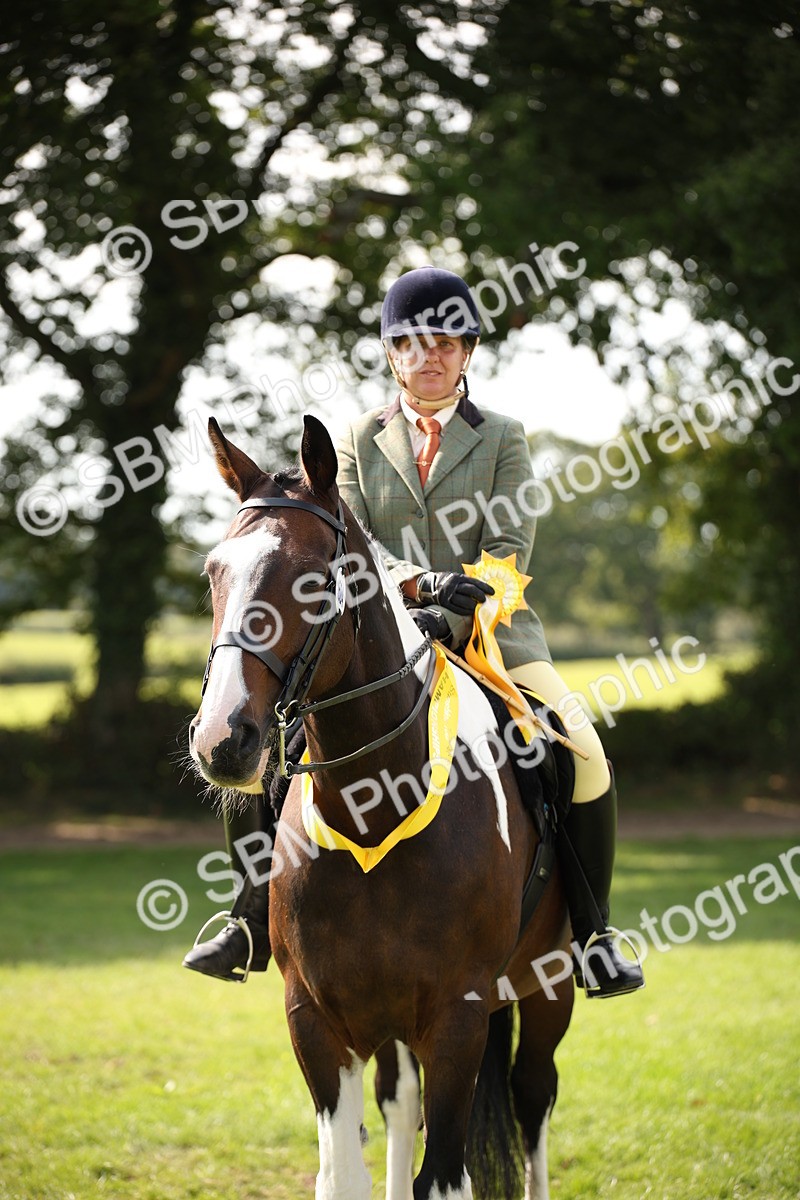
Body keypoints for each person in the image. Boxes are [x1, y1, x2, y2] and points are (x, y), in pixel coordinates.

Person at [184, 266, 644, 999]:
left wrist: (455, 607)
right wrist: (416, 591)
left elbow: (508, 544)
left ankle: (592, 933)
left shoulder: (503, 438)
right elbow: (356, 537)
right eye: (412, 343)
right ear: (392, 353)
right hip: (376, 640)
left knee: (584, 752)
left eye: (446, 343)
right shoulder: (357, 439)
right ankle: (246, 919)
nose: (429, 356)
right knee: (269, 752)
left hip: (493, 637)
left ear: (467, 353)